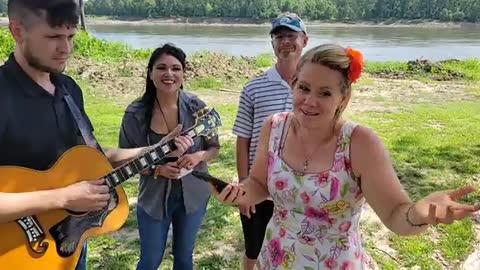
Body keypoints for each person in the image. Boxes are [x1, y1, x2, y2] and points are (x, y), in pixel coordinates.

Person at [214, 43, 479, 269]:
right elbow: (259, 184)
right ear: (293, 85)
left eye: (325, 93)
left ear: (343, 98)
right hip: (276, 257)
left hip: (336, 262)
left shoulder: (360, 143)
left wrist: (419, 213)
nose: (309, 101)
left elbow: (396, 215)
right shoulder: (274, 128)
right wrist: (239, 193)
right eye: (304, 88)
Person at [0, 1, 193, 270]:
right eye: (53, 36)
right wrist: (63, 198)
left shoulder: (68, 89)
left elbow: (97, 158)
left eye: (70, 37)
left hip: (70, 245)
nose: (65, 49)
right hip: (16, 253)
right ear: (17, 31)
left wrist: (155, 150)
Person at [119, 43, 220, 270]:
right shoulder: (135, 113)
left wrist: (198, 157)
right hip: (154, 199)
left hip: (193, 195)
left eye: (176, 68)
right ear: (150, 73)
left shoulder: (198, 108)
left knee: (184, 258)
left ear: (183, 74)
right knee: (150, 260)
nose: (169, 74)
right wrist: (157, 170)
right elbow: (125, 160)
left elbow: (214, 148)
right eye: (161, 68)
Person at [232, 12, 308, 270]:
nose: (285, 41)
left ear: (304, 40)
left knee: (296, 248)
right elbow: (243, 139)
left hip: (300, 186)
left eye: (291, 35)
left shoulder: (314, 88)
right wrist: (244, 187)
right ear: (272, 43)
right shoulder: (254, 88)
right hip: (259, 184)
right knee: (254, 249)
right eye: (279, 36)